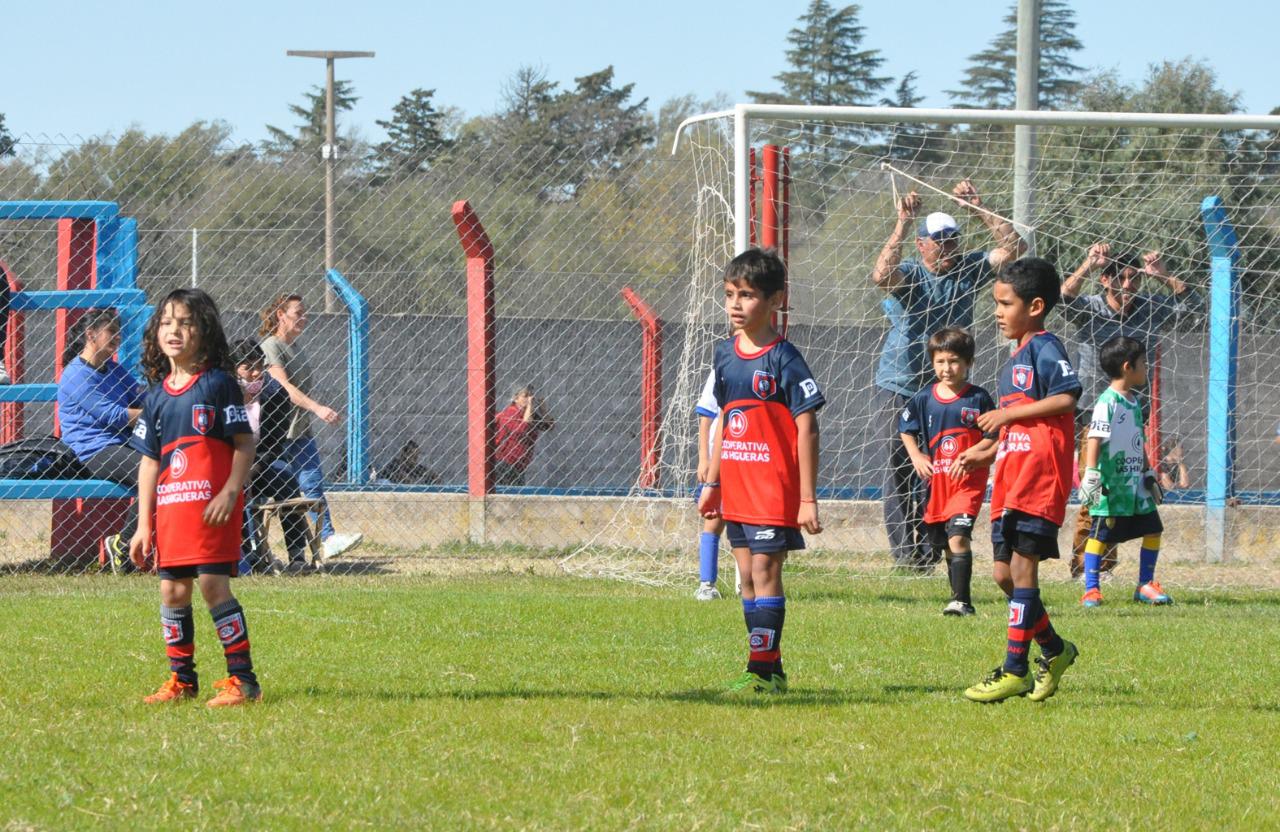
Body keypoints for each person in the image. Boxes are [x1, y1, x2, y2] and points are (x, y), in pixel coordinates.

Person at [871, 180, 1025, 570]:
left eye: (952, 240)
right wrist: (903, 223)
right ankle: (909, 559)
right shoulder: (910, 273)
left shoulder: (969, 268)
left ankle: (939, 546)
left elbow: (1017, 251)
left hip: (950, 391)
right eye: (938, 240)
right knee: (900, 468)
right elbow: (880, 276)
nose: (947, 247)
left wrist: (979, 209)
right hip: (902, 385)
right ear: (922, 244)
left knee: (945, 468)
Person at [698, 248, 825, 695]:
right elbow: (723, 424)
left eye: (747, 295)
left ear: (775, 300)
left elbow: (807, 428)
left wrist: (807, 497)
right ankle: (770, 669)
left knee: (767, 572)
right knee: (747, 576)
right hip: (735, 484)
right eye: (730, 294)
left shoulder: (784, 357)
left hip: (774, 486)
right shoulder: (724, 355)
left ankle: (759, 670)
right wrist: (712, 483)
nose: (735, 304)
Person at [953, 258, 1080, 703]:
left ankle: (1014, 669)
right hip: (1011, 477)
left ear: (1036, 306)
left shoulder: (1046, 347)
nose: (997, 311)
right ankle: (1056, 649)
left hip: (1040, 479)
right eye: (996, 303)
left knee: (1023, 571)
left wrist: (1006, 414)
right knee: (1005, 575)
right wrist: (985, 451)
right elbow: (1015, 429)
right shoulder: (1015, 358)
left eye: (1005, 303)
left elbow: (1067, 397)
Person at [127, 288, 260, 707]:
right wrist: (142, 524)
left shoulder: (218, 385)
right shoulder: (156, 396)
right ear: (155, 334)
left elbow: (244, 442)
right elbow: (150, 464)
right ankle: (182, 681)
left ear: (203, 331)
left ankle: (244, 682)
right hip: (172, 511)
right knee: (172, 593)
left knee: (211, 586)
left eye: (185, 322)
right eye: (167, 323)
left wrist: (229, 491)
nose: (175, 330)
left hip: (213, 511)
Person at [1060, 244, 1200, 577]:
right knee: (1095, 489)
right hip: (1094, 411)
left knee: (1124, 488)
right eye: (1120, 278)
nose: (1128, 286)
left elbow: (1193, 304)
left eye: (1134, 279)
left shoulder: (1150, 308)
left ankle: (1109, 565)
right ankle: (1084, 568)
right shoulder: (1091, 308)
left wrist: (1165, 276)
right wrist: (1088, 265)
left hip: (1135, 413)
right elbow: (1063, 299)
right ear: (1105, 280)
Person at [897, 327, 996, 616]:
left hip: (967, 481)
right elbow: (906, 427)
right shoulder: (923, 398)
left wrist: (975, 454)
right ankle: (957, 597)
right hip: (937, 483)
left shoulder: (978, 399)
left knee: (959, 536)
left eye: (953, 361)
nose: (947, 368)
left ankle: (963, 602)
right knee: (946, 544)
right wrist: (916, 455)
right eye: (940, 362)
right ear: (932, 363)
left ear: (968, 364)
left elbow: (994, 435)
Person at [259, 293, 362, 561]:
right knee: (290, 489)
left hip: (300, 430)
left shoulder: (296, 347)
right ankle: (292, 549)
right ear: (281, 315)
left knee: (312, 484)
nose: (304, 318)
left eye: (305, 313)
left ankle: (325, 539)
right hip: (280, 432)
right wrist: (317, 408)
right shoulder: (271, 346)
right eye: (298, 313)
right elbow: (283, 387)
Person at [1078, 336, 1172, 607]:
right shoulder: (1107, 402)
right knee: (1099, 535)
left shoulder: (1135, 401)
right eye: (1143, 363)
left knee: (1153, 530)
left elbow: (1137, 440)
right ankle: (1091, 589)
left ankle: (1144, 584)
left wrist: (1147, 471)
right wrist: (1092, 473)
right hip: (1112, 486)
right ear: (1128, 367)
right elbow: (1094, 439)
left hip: (1136, 484)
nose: (1147, 368)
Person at [54, 309, 146, 569]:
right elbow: (112, 415)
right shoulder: (76, 374)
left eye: (119, 331)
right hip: (94, 450)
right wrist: (158, 415)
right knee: (153, 473)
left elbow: (141, 396)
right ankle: (123, 544)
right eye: (111, 331)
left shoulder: (114, 370)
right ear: (91, 334)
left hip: (124, 442)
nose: (117, 336)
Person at [231, 339, 309, 573]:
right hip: (228, 464)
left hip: (260, 463)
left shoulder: (275, 394)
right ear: (234, 368)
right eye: (247, 367)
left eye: (259, 366)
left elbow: (274, 445)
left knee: (285, 477)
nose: (256, 373)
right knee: (236, 491)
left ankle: (297, 555)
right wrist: (237, 471)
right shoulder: (223, 393)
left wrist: (251, 471)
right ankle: (248, 553)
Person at [694, 367, 726, 601]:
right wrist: (704, 458)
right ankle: (706, 583)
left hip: (751, 456)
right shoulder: (721, 370)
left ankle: (747, 583)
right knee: (713, 519)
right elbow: (706, 416)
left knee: (747, 524)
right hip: (720, 457)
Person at [493, 385, 554, 486]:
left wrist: (543, 409)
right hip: (505, 461)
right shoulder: (510, 413)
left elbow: (548, 426)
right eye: (525, 396)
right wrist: (530, 406)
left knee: (517, 493)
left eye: (531, 396)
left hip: (519, 464)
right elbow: (522, 429)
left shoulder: (530, 414)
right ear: (515, 399)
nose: (529, 399)